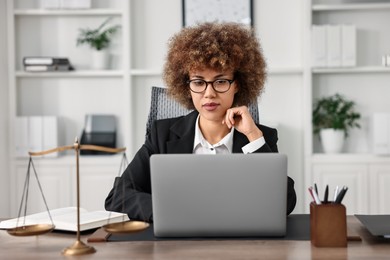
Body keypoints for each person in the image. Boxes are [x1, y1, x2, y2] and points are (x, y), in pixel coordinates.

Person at [105, 22, 297, 222]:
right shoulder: (162, 134)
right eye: (198, 82)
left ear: (237, 85)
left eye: (221, 81)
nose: (209, 94)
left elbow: (285, 202)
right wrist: (169, 211)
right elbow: (119, 196)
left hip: (239, 242)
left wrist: (254, 137)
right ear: (186, 86)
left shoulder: (259, 137)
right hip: (178, 243)